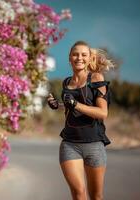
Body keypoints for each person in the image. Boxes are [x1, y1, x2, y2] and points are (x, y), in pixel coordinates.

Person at [47, 40, 114, 200]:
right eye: (75, 54)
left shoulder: (96, 78)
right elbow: (73, 108)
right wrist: (59, 105)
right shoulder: (66, 82)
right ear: (69, 58)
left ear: (89, 58)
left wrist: (75, 104)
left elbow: (102, 113)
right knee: (78, 193)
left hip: (94, 144)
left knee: (96, 196)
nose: (79, 58)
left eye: (84, 55)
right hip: (70, 143)